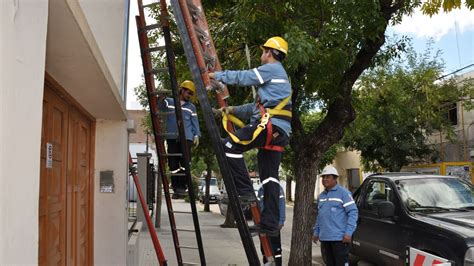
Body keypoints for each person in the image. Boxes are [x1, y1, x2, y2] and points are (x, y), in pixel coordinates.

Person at [209, 36, 291, 236]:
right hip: (279, 132)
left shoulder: (272, 69)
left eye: (263, 51)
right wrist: (230, 111)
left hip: (269, 126)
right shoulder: (276, 81)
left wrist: (217, 76)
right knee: (269, 179)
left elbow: (244, 77)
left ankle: (245, 191)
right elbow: (254, 109)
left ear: (270, 52)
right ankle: (270, 224)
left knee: (229, 147)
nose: (262, 55)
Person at [158, 80, 201, 199]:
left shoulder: (191, 107)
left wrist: (197, 135)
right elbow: (160, 108)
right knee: (173, 164)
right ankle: (177, 188)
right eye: (188, 93)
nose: (190, 96)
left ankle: (183, 186)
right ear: (182, 90)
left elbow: (195, 122)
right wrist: (161, 98)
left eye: (191, 94)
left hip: (186, 137)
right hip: (172, 136)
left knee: (185, 162)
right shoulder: (170, 102)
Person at [312, 165, 358, 266]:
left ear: (335, 178)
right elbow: (320, 216)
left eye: (328, 177)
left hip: (339, 239)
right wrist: (316, 232)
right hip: (325, 238)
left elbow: (353, 212)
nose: (324, 179)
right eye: (323, 177)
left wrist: (348, 233)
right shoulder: (321, 196)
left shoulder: (344, 193)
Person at [257, 184, 285, 265]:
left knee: (276, 250)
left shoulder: (278, 188)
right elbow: (259, 205)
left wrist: (281, 221)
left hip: (274, 225)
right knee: (264, 250)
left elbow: (282, 204)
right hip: (263, 225)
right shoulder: (261, 190)